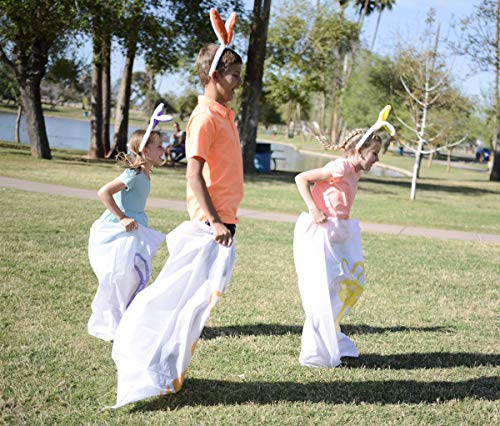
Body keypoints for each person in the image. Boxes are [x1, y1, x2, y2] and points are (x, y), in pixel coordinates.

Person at [110, 8, 243, 408]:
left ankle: (166, 369)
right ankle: (142, 362)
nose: (239, 82)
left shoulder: (224, 115)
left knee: (195, 307)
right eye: (234, 75)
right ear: (213, 76)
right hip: (210, 227)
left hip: (223, 225)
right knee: (176, 300)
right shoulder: (205, 117)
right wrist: (215, 221)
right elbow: (193, 176)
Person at [294, 106, 395, 368]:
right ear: (360, 152)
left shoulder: (355, 172)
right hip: (321, 233)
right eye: (374, 154)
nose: (377, 159)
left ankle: (333, 340)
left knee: (345, 285)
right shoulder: (339, 167)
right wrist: (314, 209)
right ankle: (317, 352)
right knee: (323, 291)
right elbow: (301, 177)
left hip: (339, 232)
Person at [87, 112, 171, 342]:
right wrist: (122, 217)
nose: (163, 150)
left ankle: (126, 318)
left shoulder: (145, 173)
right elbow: (103, 192)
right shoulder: (133, 173)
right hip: (121, 230)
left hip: (136, 229)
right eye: (158, 146)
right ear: (145, 151)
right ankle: (111, 322)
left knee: (131, 275)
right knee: (120, 275)